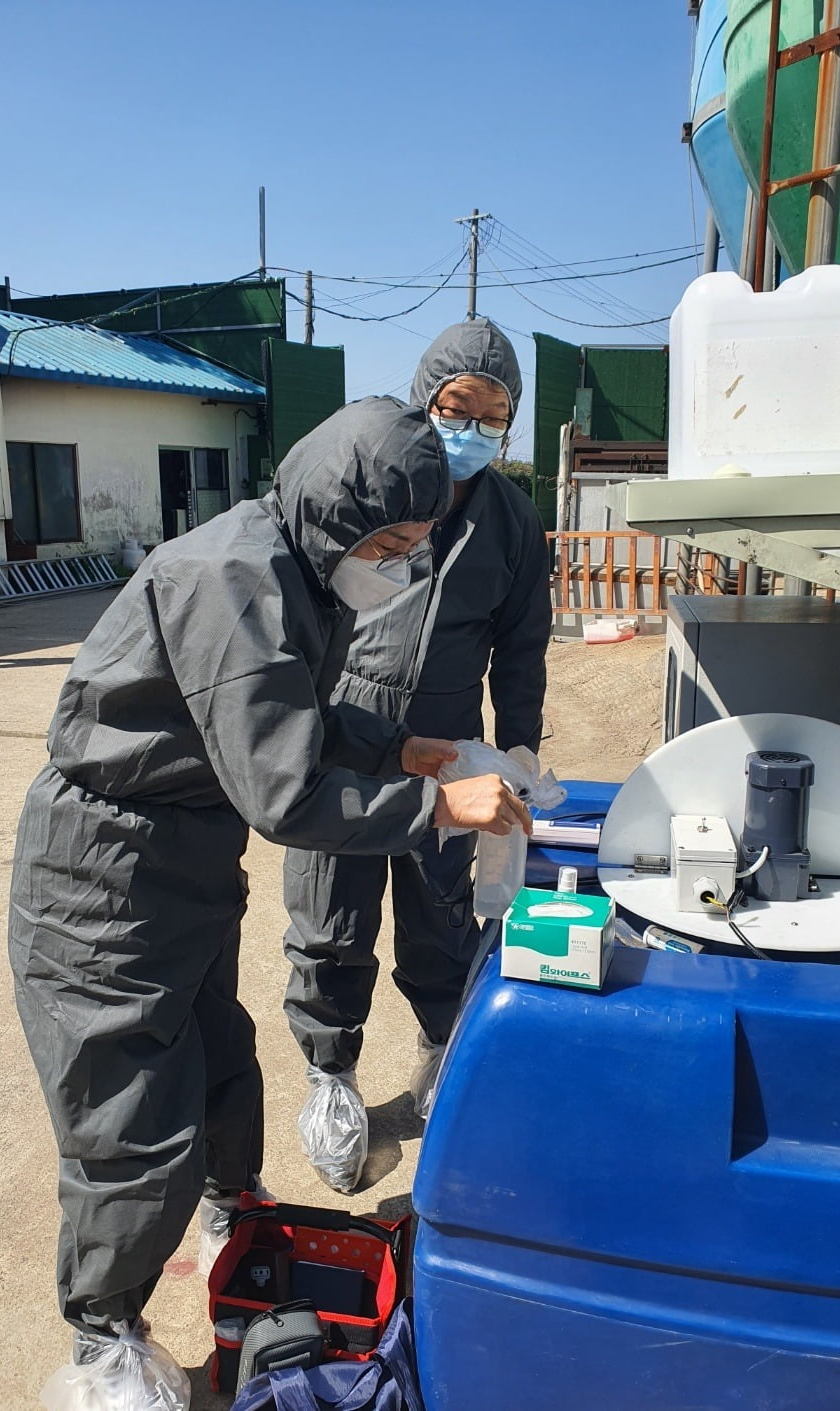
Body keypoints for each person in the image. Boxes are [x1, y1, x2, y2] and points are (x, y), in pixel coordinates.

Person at [8, 396, 531, 1402]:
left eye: (415, 545)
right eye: (391, 541)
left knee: (215, 1059)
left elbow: (294, 715)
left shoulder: (300, 569)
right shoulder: (236, 577)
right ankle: (104, 1341)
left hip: (183, 860)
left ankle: (231, 1217)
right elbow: (285, 790)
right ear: (337, 513)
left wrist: (394, 747)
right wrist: (434, 802)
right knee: (133, 1112)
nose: (399, 563)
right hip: (105, 871)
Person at [283, 319, 552, 1191]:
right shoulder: (386, 484)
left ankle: (445, 1062)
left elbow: (521, 648)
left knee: (443, 915)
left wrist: (516, 747)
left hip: (444, 744)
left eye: (492, 415)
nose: (471, 428)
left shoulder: (513, 524)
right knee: (332, 916)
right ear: (425, 397)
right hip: (349, 734)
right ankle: (333, 1083)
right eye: (456, 407)